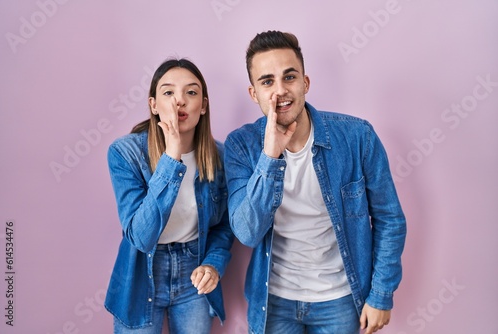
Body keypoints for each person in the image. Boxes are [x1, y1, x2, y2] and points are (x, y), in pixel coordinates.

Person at [224, 30, 407, 334]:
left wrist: (382, 295)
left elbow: (390, 219)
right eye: (267, 81)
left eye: (290, 77)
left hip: (339, 299)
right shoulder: (241, 145)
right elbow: (247, 232)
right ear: (253, 93)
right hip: (273, 301)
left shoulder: (357, 138)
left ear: (305, 83)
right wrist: (270, 156)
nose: (280, 91)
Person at [104, 58, 234, 334]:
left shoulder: (218, 157)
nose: (180, 101)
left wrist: (213, 263)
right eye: (168, 92)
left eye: (191, 92)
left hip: (193, 271)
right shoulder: (125, 154)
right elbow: (140, 236)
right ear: (153, 105)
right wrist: (172, 156)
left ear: (204, 105)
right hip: (140, 273)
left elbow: (223, 225)